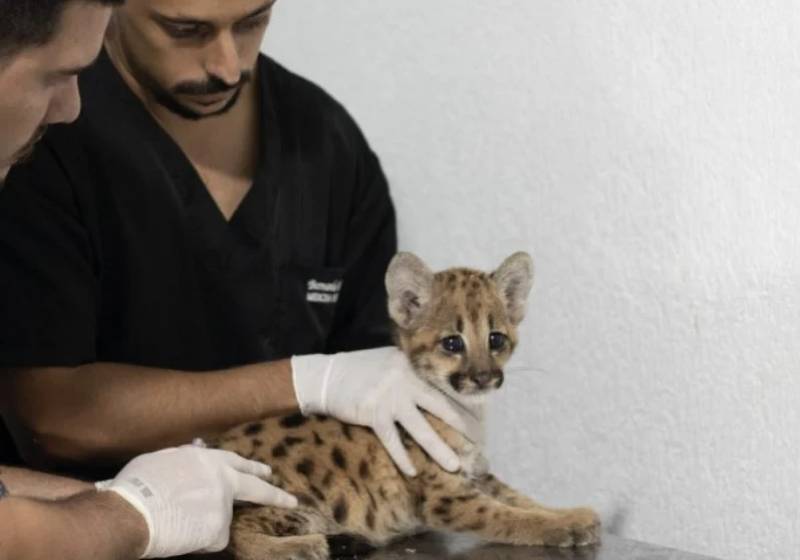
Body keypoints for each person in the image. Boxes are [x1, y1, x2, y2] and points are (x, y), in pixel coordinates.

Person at [0, 0, 476, 481]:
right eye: (184, 29)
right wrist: (306, 383)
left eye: (253, 21)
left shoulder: (325, 143)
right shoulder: (41, 129)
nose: (228, 68)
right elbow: (54, 419)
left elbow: (378, 379)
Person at [0, 2, 296, 559]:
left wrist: (116, 498)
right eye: (58, 76)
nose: (70, 109)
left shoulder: (321, 138)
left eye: (254, 21)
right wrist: (130, 517)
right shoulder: (59, 171)